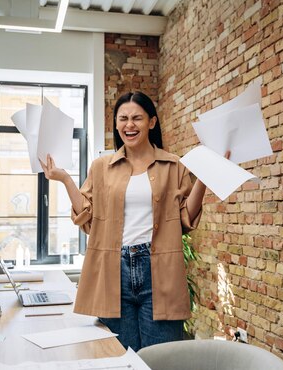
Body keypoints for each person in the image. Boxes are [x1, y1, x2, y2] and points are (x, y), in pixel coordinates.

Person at [39, 91, 211, 351]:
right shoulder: (101, 167)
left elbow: (185, 219)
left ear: (151, 122)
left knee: (160, 359)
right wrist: (65, 179)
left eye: (137, 118)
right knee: (119, 358)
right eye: (123, 119)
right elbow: (88, 219)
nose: (129, 125)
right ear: (116, 124)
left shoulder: (174, 165)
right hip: (113, 271)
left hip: (160, 272)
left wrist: (205, 179)